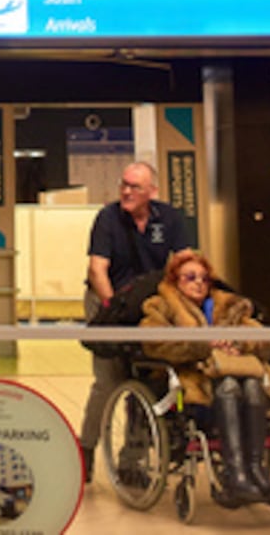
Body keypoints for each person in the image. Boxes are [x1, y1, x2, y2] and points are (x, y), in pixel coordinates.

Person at [139, 248, 270, 502]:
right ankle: (235, 473)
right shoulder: (161, 306)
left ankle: (255, 469)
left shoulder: (228, 305)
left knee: (253, 386)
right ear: (175, 280)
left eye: (204, 278)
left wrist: (238, 343)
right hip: (195, 380)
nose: (198, 283)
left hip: (238, 371)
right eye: (190, 277)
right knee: (229, 386)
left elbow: (261, 338)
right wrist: (203, 345)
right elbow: (154, 343)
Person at [78, 161, 189, 482]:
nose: (126, 191)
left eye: (134, 187)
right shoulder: (108, 218)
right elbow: (97, 269)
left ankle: (132, 460)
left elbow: (185, 262)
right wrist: (114, 310)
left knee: (146, 380)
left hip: (147, 307)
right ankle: (86, 448)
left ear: (152, 192)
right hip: (107, 301)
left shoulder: (169, 219)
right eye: (124, 184)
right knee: (109, 380)